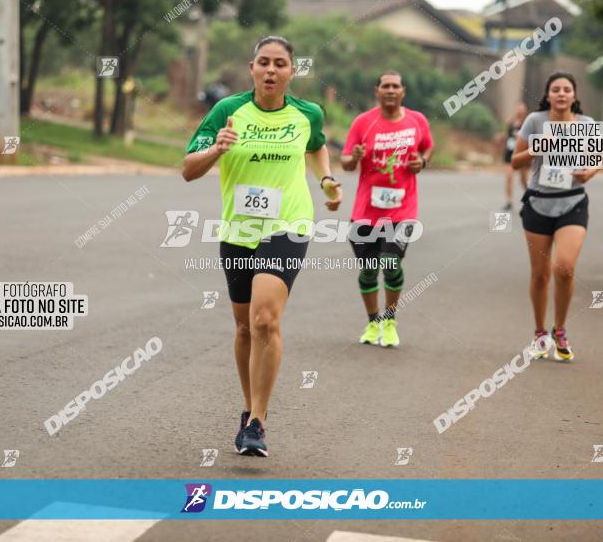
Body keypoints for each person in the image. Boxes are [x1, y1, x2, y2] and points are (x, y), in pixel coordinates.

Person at [182, 36, 342, 457]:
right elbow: (188, 170)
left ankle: (258, 422)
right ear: (252, 67)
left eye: (280, 64)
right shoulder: (227, 111)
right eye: (264, 63)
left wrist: (325, 179)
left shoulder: (307, 113)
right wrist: (216, 149)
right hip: (238, 230)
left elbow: (317, 144)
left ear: (292, 71)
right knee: (243, 327)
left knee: (265, 321)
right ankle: (248, 405)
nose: (271, 71)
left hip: (288, 225)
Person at [341, 70, 434, 347]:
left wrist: (423, 162)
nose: (391, 90)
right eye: (385, 86)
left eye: (395, 86)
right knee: (369, 269)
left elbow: (427, 147)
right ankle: (373, 322)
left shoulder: (417, 121)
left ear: (403, 91)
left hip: (402, 211)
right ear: (377, 91)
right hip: (366, 212)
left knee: (391, 263)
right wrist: (354, 157)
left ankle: (390, 320)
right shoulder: (363, 122)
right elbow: (346, 162)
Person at [511, 72, 599, 362]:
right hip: (538, 203)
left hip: (572, 203)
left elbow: (601, 157)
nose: (561, 94)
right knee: (540, 274)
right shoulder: (535, 122)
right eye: (556, 90)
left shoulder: (586, 125)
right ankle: (539, 333)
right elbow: (514, 161)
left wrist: (589, 172)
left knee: (564, 268)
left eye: (567, 90)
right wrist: (537, 149)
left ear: (574, 96)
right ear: (547, 95)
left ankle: (559, 329)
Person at [501, 102, 529, 211]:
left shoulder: (528, 123)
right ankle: (509, 202)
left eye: (521, 109)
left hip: (522, 153)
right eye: (517, 108)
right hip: (510, 153)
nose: (519, 111)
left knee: (523, 179)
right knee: (509, 177)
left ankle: (529, 198)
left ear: (525, 111)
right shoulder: (510, 122)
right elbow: (507, 137)